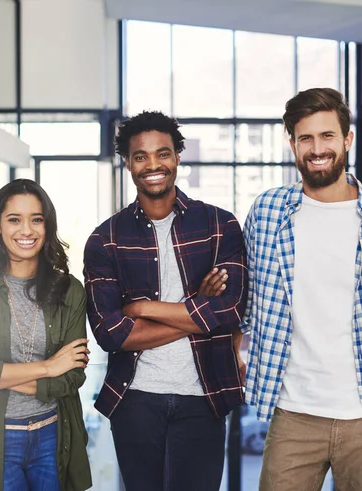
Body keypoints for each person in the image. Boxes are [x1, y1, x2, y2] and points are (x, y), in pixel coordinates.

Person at [241, 88, 362, 491]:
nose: (317, 149)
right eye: (306, 138)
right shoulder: (267, 211)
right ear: (292, 142)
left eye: (327, 136)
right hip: (292, 414)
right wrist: (236, 355)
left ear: (347, 139)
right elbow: (244, 303)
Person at [83, 110, 248, 491]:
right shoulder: (105, 239)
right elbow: (111, 334)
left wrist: (141, 309)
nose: (152, 164)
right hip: (135, 399)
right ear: (128, 163)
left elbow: (230, 311)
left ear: (177, 157)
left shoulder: (219, 225)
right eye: (141, 156)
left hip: (204, 396)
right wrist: (196, 309)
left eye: (163, 153)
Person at [0, 178, 92, 491]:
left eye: (36, 220)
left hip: (53, 434)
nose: (26, 231)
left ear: (47, 226)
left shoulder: (71, 290)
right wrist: (49, 366)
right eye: (14, 220)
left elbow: (72, 377)